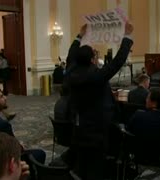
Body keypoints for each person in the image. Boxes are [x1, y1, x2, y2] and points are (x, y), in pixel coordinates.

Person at [64, 23, 133, 180]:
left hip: (78, 125)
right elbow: (117, 62)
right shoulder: (96, 76)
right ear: (92, 59)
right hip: (97, 129)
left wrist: (79, 36)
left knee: (82, 161)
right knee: (96, 165)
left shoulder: (70, 71)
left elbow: (70, 54)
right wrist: (127, 36)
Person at [0, 88, 46, 164]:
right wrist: (20, 146)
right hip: (2, 162)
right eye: (2, 96)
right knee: (40, 153)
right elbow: (14, 149)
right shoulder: (2, 124)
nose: (5, 98)